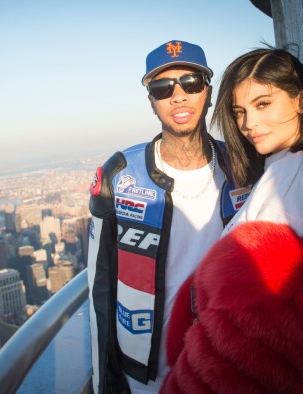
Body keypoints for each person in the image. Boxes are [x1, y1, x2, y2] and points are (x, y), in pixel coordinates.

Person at [160, 48, 303, 393]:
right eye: (240, 111)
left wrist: (191, 383)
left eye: (262, 104)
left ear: (300, 100)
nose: (247, 124)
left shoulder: (293, 173)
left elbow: (263, 316)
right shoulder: (287, 168)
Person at [87, 39, 247, 394]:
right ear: (151, 102)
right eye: (162, 88)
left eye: (190, 83)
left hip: (223, 365)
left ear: (208, 90)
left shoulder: (242, 167)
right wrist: (104, 382)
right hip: (145, 374)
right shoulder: (121, 174)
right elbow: (99, 285)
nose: (178, 96)